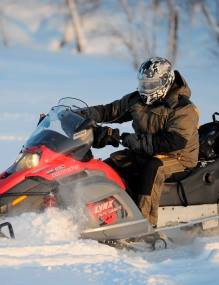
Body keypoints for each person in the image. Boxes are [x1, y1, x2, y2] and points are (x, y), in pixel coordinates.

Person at [79, 57, 199, 227]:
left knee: (153, 167)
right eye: (143, 84)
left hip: (178, 157)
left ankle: (145, 224)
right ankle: (104, 214)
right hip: (144, 149)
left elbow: (173, 142)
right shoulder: (137, 100)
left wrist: (134, 141)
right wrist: (81, 114)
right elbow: (110, 111)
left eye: (150, 85)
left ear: (164, 82)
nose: (145, 90)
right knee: (110, 165)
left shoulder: (183, 108)